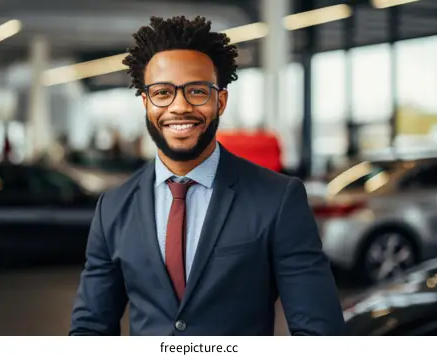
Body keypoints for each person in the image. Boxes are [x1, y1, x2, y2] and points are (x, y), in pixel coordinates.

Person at [69, 15, 345, 336]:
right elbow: (90, 330)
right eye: (162, 93)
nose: (180, 107)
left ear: (221, 100)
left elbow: (321, 334)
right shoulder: (113, 208)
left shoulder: (277, 199)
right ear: (146, 102)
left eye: (197, 91)